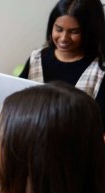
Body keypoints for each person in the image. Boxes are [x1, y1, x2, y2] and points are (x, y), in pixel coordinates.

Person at [19, 0, 105, 131]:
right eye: (59, 29)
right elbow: (17, 101)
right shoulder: (36, 58)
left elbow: (99, 126)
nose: (64, 38)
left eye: (74, 32)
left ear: (90, 32)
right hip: (32, 139)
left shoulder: (100, 69)